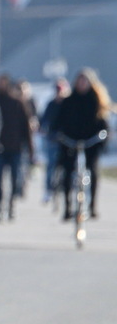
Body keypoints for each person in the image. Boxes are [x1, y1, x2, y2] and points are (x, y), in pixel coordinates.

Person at [51, 68, 112, 220]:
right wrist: (58, 134)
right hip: (70, 142)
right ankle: (67, 207)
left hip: (90, 143)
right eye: (80, 80)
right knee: (66, 171)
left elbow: (104, 124)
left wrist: (101, 138)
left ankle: (92, 206)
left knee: (93, 170)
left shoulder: (96, 100)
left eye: (85, 81)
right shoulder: (69, 101)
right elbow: (58, 121)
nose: (82, 84)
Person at [0, 73, 35, 221]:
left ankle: (11, 205)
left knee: (15, 180)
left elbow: (26, 127)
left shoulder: (17, 102)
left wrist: (30, 149)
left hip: (15, 147)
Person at [39, 77, 70, 202]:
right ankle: (48, 190)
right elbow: (44, 120)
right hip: (52, 138)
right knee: (51, 165)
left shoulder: (68, 104)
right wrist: (43, 128)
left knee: (67, 166)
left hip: (66, 139)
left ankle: (68, 188)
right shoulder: (51, 104)